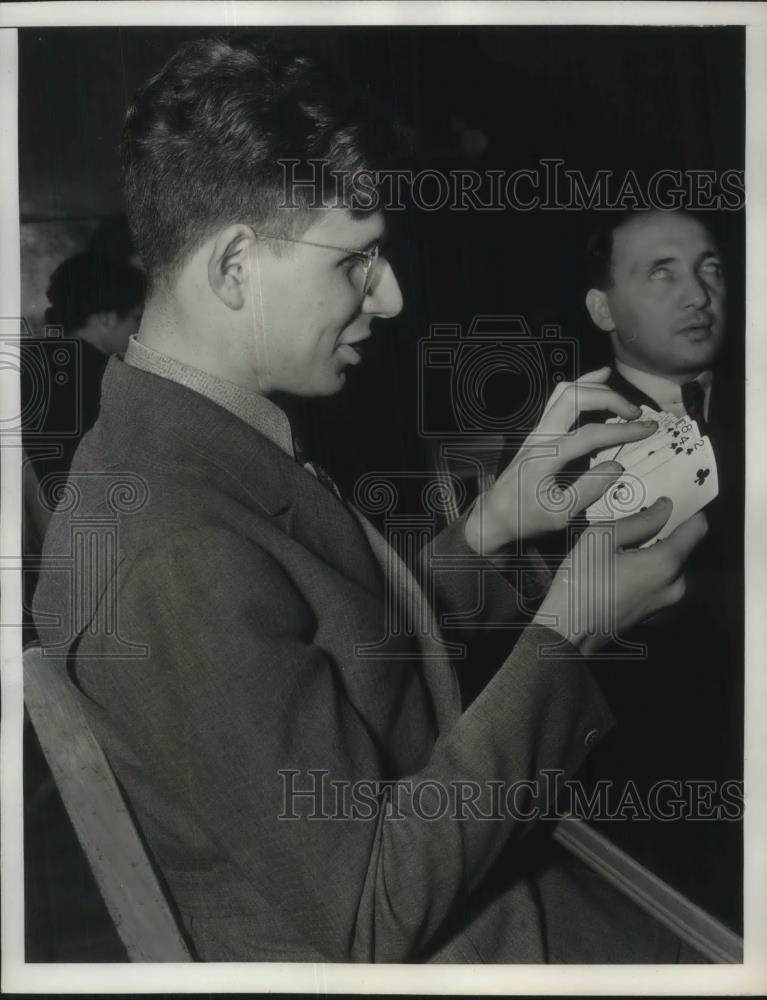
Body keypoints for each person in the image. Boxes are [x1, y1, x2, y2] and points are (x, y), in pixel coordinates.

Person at [32, 38, 708, 963]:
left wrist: (493, 524)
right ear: (235, 268)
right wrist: (571, 628)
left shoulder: (188, 446)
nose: (387, 297)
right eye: (356, 259)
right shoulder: (172, 547)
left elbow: (333, 648)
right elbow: (369, 915)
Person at [581, 208, 743, 927]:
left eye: (708, 267)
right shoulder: (582, 437)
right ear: (601, 307)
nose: (697, 295)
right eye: (661, 273)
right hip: (670, 784)